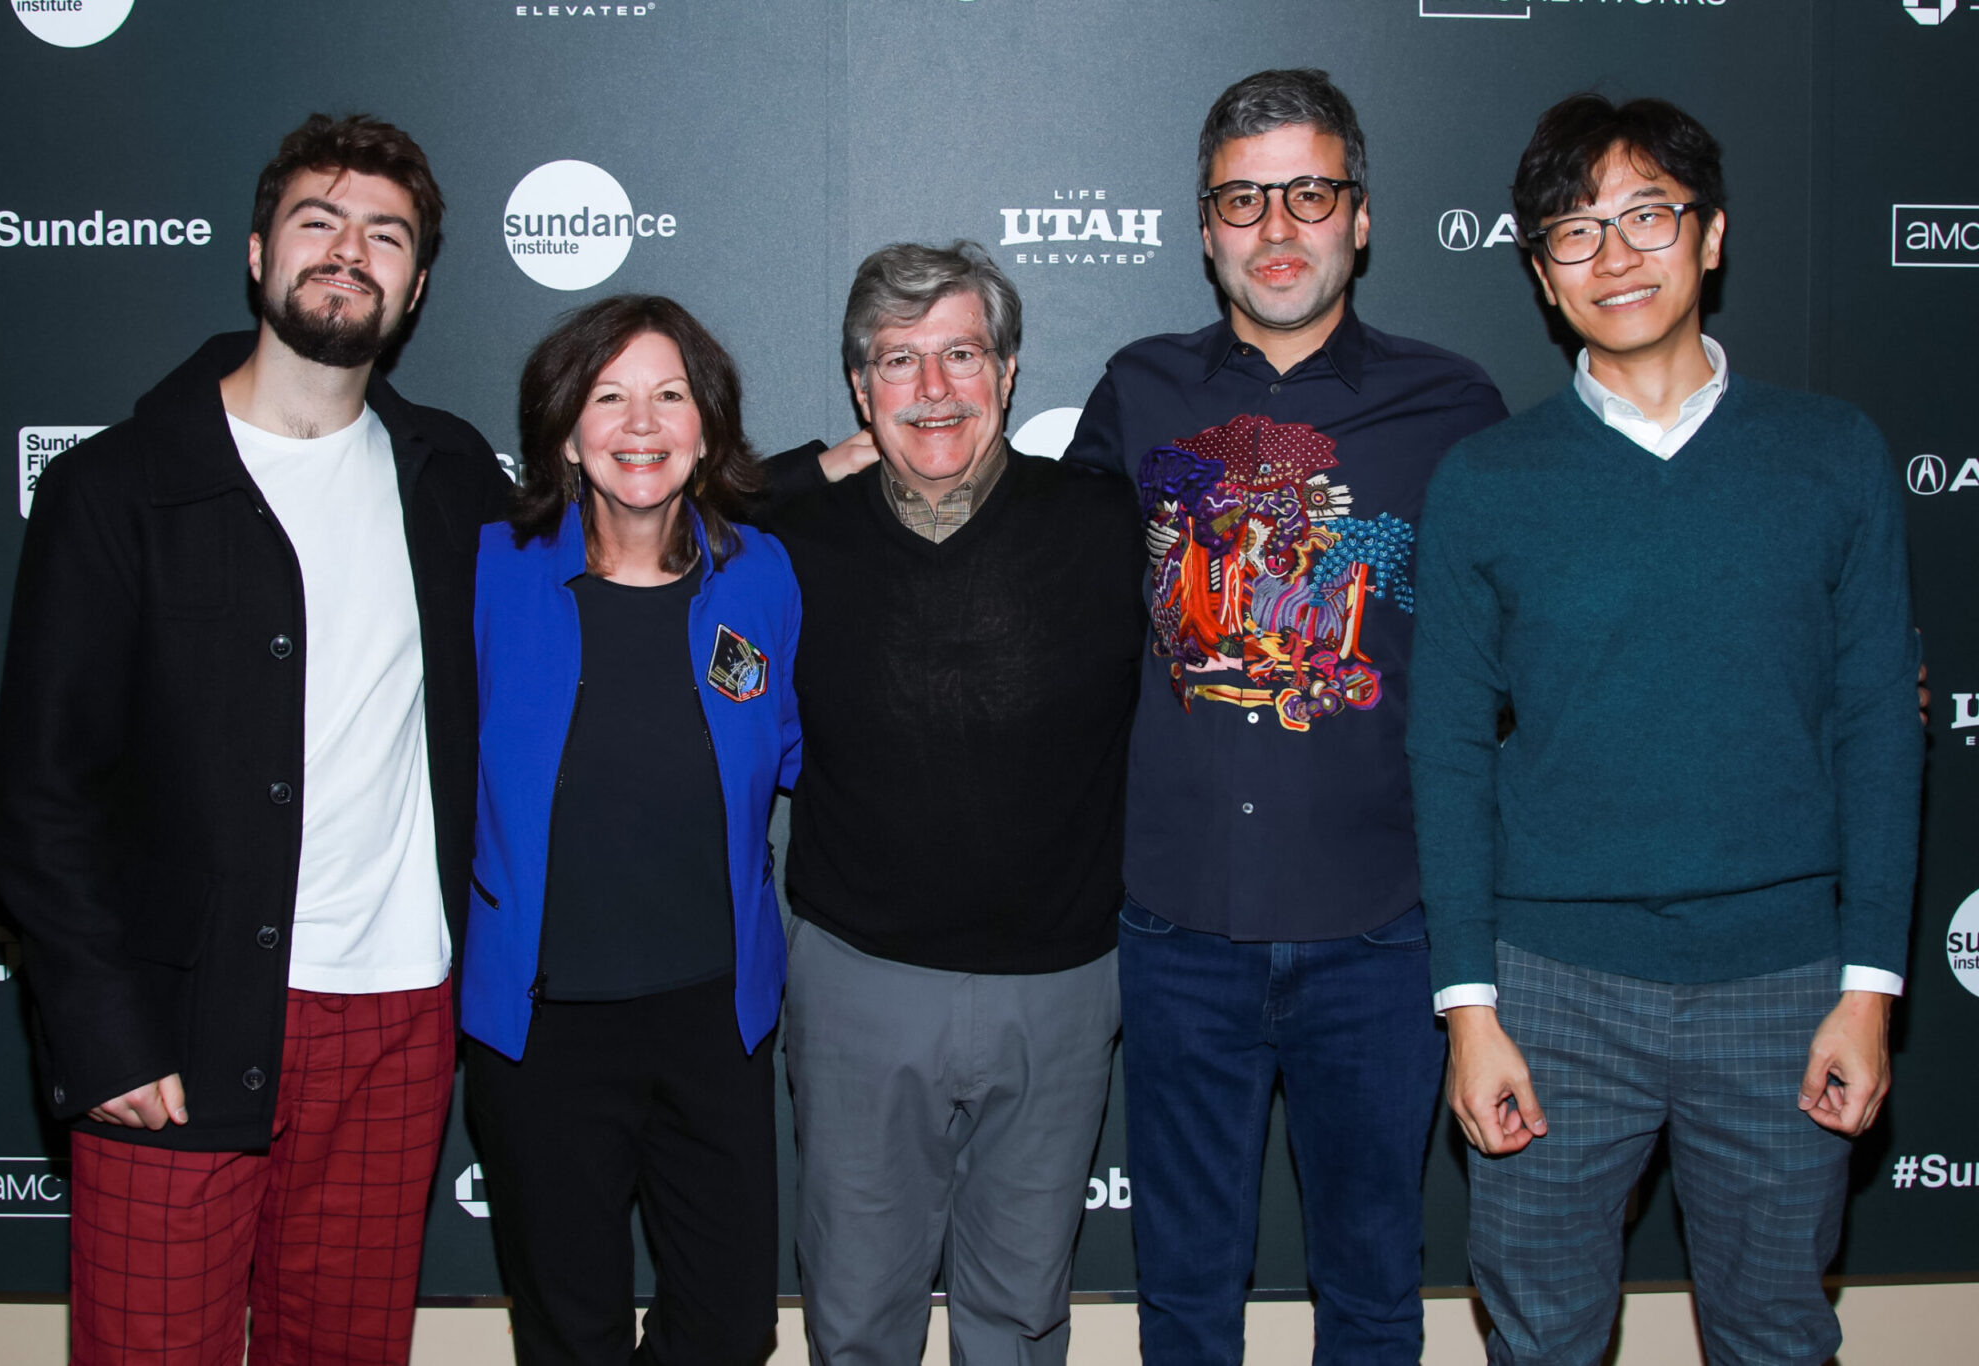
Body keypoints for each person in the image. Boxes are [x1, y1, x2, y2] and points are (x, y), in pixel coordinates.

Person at [0, 114, 512, 1364]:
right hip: (180, 1024)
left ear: (417, 285)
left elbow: (640, 522)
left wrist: (827, 469)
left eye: (385, 234)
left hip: (394, 1025)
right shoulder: (118, 487)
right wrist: (102, 1027)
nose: (349, 251)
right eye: (319, 222)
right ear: (256, 252)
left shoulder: (454, 485)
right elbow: (40, 796)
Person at [1407, 94, 1922, 1365]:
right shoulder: (1487, 480)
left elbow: (1876, 729)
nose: (1615, 255)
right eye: (1573, 232)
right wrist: (1469, 1011)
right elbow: (1448, 749)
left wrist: (1869, 990)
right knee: (1538, 1336)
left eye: (1647, 216)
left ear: (1711, 237)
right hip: (1549, 993)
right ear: (1536, 272)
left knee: (1771, 1335)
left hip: (1785, 985)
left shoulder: (1829, 455)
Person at [1062, 69, 1508, 1363]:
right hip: (1177, 928)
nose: (1276, 228)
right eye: (1243, 200)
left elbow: (1557, 604)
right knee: (1184, 1299)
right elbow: (1031, 566)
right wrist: (862, 465)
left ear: (1358, 216)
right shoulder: (1139, 390)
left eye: (1307, 194)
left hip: (1379, 936)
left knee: (1372, 1294)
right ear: (1204, 227)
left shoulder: (1455, 407)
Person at [765, 240, 1145, 1364]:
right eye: (897, 361)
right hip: (857, 984)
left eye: (960, 355)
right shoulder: (792, 538)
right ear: (857, 389)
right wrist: (810, 470)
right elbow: (649, 491)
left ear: (1010, 370)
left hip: (1063, 992)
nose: (932, 391)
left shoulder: (1103, 522)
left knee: (1017, 1316)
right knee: (854, 1313)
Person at [459, 295, 801, 1366]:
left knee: (727, 1327)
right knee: (571, 1333)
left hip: (713, 1022)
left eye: (668, 394)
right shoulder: (490, 570)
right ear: (565, 430)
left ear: (706, 426)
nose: (640, 422)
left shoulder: (761, 576)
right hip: (545, 1028)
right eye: (608, 396)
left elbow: (785, 744)